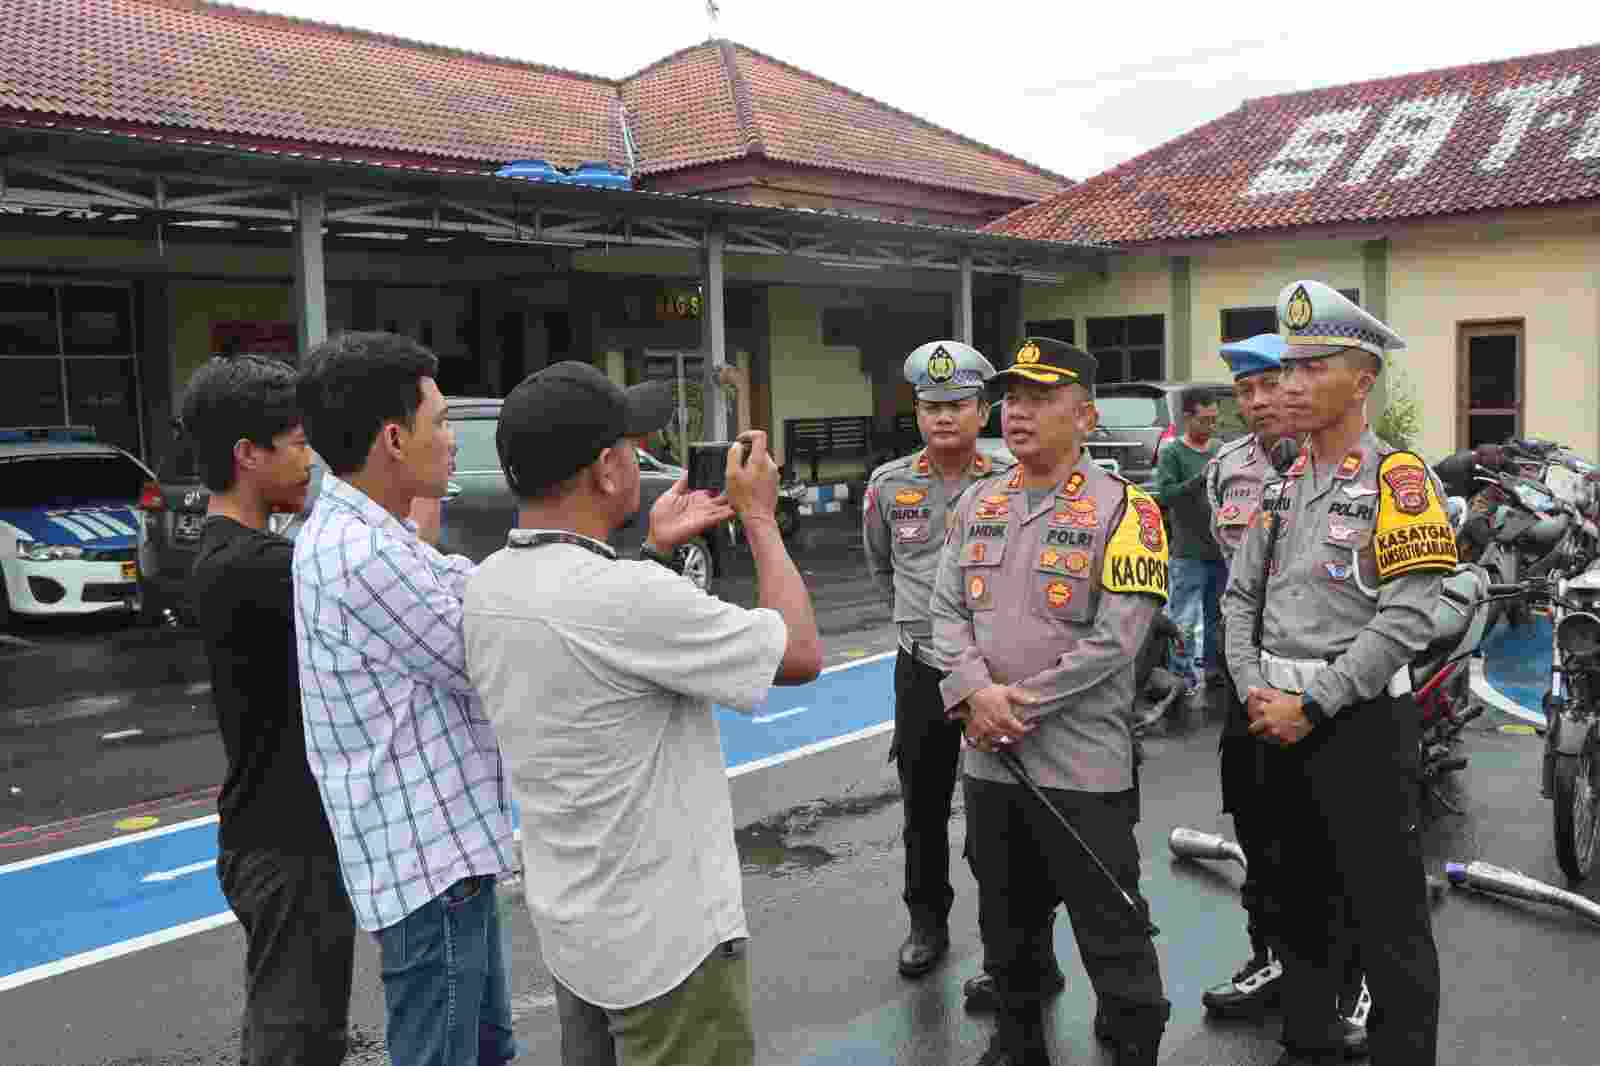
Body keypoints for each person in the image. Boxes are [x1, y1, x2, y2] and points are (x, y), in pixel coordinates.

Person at [463, 361, 822, 1066]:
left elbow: (600, 650)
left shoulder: (487, 584)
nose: (636, 457)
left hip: (575, 926)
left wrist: (654, 552)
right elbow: (800, 652)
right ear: (605, 469)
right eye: (630, 445)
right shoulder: (627, 600)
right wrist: (758, 517)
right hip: (670, 944)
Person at [1221, 281, 1452, 1066]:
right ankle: (1309, 1043)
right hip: (1272, 721)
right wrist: (1252, 684)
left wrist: (1310, 706)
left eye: (1312, 366)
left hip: (1354, 729)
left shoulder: (1399, 482)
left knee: (1388, 921)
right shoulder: (1284, 487)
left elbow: (1406, 620)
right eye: (1287, 368)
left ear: (1362, 377)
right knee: (1295, 904)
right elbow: (1240, 596)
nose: (1290, 384)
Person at [932, 337, 1171, 1066]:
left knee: (1110, 923)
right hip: (991, 766)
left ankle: (1133, 1044)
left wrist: (1013, 704)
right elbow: (945, 611)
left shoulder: (1129, 511)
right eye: (1012, 399)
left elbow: (1117, 639)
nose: (1019, 414)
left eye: (1040, 399)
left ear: (1086, 415)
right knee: (1007, 921)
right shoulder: (980, 500)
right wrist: (973, 690)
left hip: (1082, 767)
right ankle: (1017, 1040)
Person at [291, 332, 518, 1066]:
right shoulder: (362, 554)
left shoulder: (364, 534)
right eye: (443, 421)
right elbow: (485, 655)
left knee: (485, 1052)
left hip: (440, 855)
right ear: (394, 437)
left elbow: (456, 581)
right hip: (429, 867)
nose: (453, 440)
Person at [863, 340, 1058, 1008]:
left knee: (1002, 816)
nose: (943, 418)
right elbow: (883, 570)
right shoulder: (889, 485)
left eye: (957, 405)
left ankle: (1019, 944)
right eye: (930, 406)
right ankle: (926, 921)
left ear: (984, 410)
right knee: (922, 804)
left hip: (998, 673)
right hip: (922, 671)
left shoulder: (1013, 477)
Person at [183, 355, 356, 1066]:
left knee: (300, 1032)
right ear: (247, 455)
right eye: (296, 442)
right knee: (297, 1041)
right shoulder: (254, 568)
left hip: (273, 835)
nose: (310, 458)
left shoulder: (243, 555)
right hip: (287, 846)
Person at [1202, 335, 1372, 1056]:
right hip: (1250, 681)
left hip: (1331, 689)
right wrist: (1249, 682)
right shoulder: (1228, 472)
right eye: (1246, 391)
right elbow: (1234, 579)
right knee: (1258, 829)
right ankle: (1274, 954)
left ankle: (1353, 979)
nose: (1261, 400)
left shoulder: (1358, 465)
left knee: (1342, 848)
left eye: (1274, 383)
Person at [1152, 388, 1225, 694]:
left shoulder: (1220, 449)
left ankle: (1214, 670)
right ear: (1187, 418)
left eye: (1214, 420)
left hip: (1219, 550)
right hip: (1187, 551)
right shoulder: (1172, 453)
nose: (1211, 427)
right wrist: (1199, 480)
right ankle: (1181, 677)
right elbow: (1166, 496)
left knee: (1217, 616)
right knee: (1183, 618)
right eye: (1205, 420)